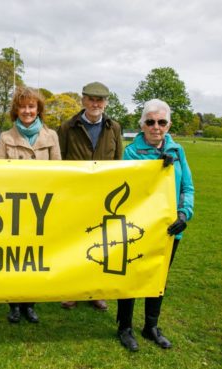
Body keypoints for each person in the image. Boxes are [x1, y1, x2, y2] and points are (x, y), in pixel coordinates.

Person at [116, 98, 194, 352]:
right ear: (142, 125)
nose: (156, 127)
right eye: (150, 122)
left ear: (168, 125)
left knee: (158, 277)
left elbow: (187, 187)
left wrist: (184, 214)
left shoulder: (178, 151)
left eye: (161, 122)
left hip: (169, 229)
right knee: (131, 276)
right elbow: (127, 187)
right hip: (138, 228)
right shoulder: (131, 151)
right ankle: (124, 328)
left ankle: (151, 327)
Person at [0, 86, 61, 324]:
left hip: (40, 207)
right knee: (13, 257)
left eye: (31, 106)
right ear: (16, 110)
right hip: (13, 207)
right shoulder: (5, 138)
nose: (27, 110)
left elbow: (59, 171)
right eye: (22, 106)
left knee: (35, 257)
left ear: (38, 109)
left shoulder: (51, 136)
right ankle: (13, 303)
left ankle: (30, 304)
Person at [57, 81, 123, 311]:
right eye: (91, 99)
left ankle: (96, 291)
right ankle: (72, 290)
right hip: (75, 197)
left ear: (106, 103)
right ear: (83, 100)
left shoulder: (113, 127)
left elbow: (119, 162)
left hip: (104, 198)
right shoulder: (67, 127)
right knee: (74, 244)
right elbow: (60, 161)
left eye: (100, 100)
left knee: (102, 244)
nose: (96, 104)